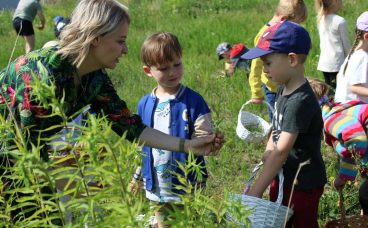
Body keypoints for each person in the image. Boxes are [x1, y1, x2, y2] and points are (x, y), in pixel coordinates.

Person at [0, 0, 224, 223]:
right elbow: (24, 158)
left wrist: (187, 146)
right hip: (14, 163)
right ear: (96, 37)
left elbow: (129, 126)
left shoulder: (93, 77)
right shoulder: (40, 77)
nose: (126, 50)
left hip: (26, 164)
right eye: (120, 41)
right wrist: (75, 185)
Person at [241, 20, 327, 228]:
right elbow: (276, 131)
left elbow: (282, 151)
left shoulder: (300, 101)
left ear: (291, 59)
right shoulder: (283, 88)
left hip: (302, 183)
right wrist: (267, 153)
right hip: (282, 176)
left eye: (268, 63)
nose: (264, 69)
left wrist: (255, 191)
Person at [138, 32, 216, 227]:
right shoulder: (144, 104)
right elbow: (143, 145)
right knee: (163, 222)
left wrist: (211, 141)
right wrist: (137, 176)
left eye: (177, 64)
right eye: (164, 68)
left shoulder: (194, 101)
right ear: (148, 71)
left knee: (189, 222)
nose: (173, 72)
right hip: (157, 184)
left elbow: (203, 136)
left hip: (187, 182)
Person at [309, 78, 368, 228]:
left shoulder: (331, 120)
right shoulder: (336, 110)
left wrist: (344, 176)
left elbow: (356, 141)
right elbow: (352, 148)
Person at [247, 0, 307, 121]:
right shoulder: (265, 36)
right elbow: (256, 65)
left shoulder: (282, 31)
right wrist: (256, 92)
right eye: (296, 23)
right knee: (276, 119)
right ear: (283, 19)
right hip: (272, 88)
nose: (296, 28)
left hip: (287, 83)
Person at [334, 11, 368, 104]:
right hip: (351, 108)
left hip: (340, 105)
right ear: (367, 36)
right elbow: (354, 87)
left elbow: (338, 77)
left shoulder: (353, 54)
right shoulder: (363, 57)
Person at [315, 0, 351, 89]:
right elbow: (346, 45)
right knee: (339, 91)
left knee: (329, 92)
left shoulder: (321, 19)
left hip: (325, 63)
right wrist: (350, 60)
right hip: (337, 64)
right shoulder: (340, 21)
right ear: (335, 1)